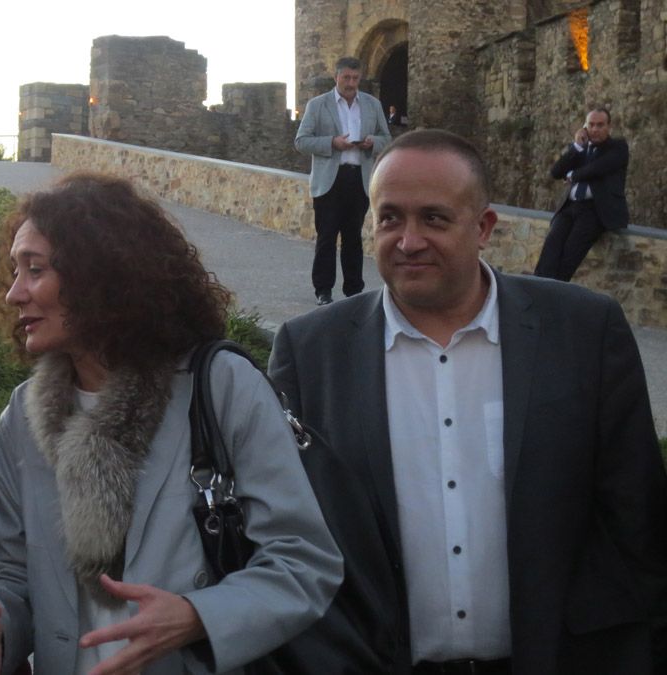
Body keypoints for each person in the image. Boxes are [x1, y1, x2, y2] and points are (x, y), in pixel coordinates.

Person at [269, 129, 667, 674]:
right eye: (390, 218)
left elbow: (636, 519)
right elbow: (286, 531)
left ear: (483, 228)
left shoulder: (583, 330)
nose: (408, 241)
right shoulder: (310, 351)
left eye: (433, 218)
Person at [0, 171, 342, 675]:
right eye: (14, 271)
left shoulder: (220, 386)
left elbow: (303, 560)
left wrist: (196, 616)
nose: (14, 294)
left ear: (97, 274)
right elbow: (9, 571)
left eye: (34, 270)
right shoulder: (21, 419)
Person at [295, 56, 391, 306]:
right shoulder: (318, 105)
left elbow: (386, 138)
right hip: (329, 180)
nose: (351, 83)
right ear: (336, 77)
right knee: (326, 237)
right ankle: (323, 291)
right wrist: (332, 143)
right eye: (346, 77)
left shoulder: (372, 105)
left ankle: (353, 292)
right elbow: (301, 141)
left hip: (358, 179)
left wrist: (372, 142)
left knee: (353, 238)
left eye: (355, 78)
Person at [534, 107, 629, 282]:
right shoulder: (581, 149)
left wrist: (573, 175)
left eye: (600, 125)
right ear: (585, 127)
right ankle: (539, 291)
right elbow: (556, 172)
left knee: (569, 257)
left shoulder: (618, 147)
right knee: (550, 250)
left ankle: (555, 295)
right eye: (591, 125)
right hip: (569, 208)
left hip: (594, 211)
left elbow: (600, 167)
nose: (595, 129)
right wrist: (577, 146)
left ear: (609, 126)